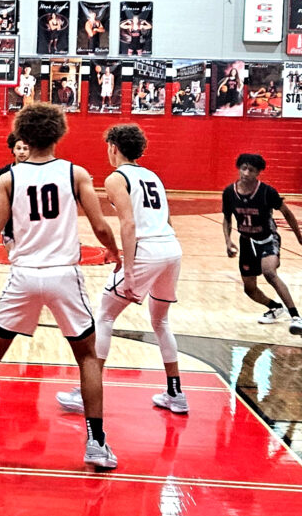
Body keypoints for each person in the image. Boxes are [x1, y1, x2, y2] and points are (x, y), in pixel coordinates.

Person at [0, 103, 120, 468]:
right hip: (63, 275)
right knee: (88, 357)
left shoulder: (9, 178)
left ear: (22, 138)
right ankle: (96, 443)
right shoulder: (75, 173)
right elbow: (100, 227)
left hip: (23, 275)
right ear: (58, 134)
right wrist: (114, 252)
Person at [57, 124, 187, 416]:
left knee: (104, 315)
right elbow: (163, 221)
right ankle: (176, 393)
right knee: (161, 322)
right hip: (170, 248)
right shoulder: (152, 176)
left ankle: (86, 392)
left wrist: (128, 269)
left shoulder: (116, 178)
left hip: (147, 252)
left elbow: (128, 224)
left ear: (113, 147)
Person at [222, 153, 302, 336]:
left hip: (267, 238)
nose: (246, 173)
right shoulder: (229, 193)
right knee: (249, 288)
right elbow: (227, 219)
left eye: (251, 170)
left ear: (258, 173)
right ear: (239, 168)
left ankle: (296, 317)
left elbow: (288, 214)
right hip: (246, 241)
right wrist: (228, 241)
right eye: (244, 168)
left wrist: (301, 240)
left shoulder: (267, 192)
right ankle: (274, 307)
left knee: (270, 272)